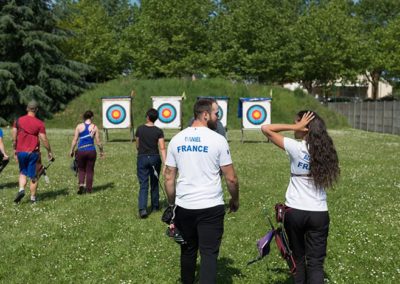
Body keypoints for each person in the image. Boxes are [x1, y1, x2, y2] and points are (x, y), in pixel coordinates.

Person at [164, 99, 239, 284]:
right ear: (205, 114)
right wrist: (235, 199)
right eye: (216, 113)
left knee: (188, 251)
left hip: (184, 207)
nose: (218, 118)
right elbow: (231, 178)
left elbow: (168, 178)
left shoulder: (176, 139)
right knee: (209, 254)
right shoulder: (218, 140)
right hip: (211, 207)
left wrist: (172, 205)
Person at [261, 110, 340, 284]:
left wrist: (294, 126)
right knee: (316, 264)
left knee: (297, 258)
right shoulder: (325, 151)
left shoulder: (296, 148)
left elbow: (266, 128)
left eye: (297, 123)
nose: (294, 128)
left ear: (305, 128)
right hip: (318, 213)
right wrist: (298, 126)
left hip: (295, 211)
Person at [12, 100, 53, 203]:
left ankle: (21, 189)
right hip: (33, 153)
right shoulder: (39, 123)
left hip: (20, 151)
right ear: (37, 110)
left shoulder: (18, 120)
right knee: (34, 176)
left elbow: (14, 135)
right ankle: (33, 199)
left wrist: (14, 149)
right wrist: (49, 151)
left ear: (27, 108)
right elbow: (43, 138)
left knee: (22, 172)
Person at [135, 108, 166, 218]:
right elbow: (162, 147)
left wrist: (141, 150)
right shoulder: (158, 131)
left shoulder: (139, 129)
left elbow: (137, 145)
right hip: (155, 158)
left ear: (147, 117)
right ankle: (155, 206)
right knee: (154, 182)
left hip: (142, 158)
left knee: (143, 184)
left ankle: (143, 209)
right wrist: (165, 163)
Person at [69, 110, 103, 194]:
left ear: (84, 117)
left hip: (81, 150)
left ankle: (81, 185)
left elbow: (75, 140)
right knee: (90, 170)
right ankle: (88, 189)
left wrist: (71, 150)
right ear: (92, 117)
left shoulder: (79, 126)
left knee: (81, 169)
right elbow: (98, 142)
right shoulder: (95, 127)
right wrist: (101, 151)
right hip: (91, 150)